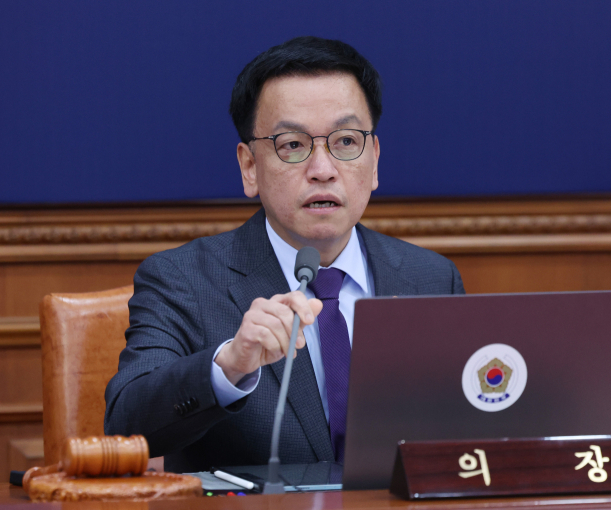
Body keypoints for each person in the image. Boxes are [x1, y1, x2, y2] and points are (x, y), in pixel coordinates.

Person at [105, 36, 465, 473]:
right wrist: (229, 366)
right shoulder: (183, 280)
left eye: (346, 141)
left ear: (373, 160)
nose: (323, 169)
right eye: (292, 145)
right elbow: (125, 422)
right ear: (249, 167)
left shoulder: (431, 278)